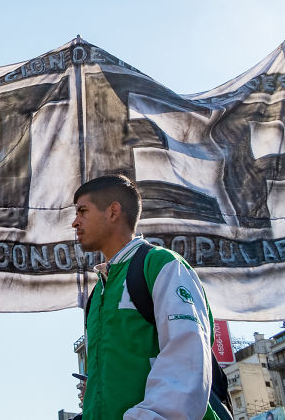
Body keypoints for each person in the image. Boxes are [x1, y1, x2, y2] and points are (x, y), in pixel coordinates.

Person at [72, 174, 218, 419]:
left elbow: (188, 357)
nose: (75, 222)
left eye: (83, 211)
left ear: (113, 211)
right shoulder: (98, 291)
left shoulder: (162, 265)